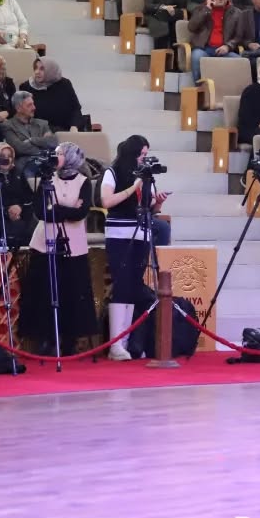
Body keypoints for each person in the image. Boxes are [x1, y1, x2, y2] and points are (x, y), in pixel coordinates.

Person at [22, 140, 97, 355]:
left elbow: (80, 213)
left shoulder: (84, 182)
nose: (56, 157)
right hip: (44, 244)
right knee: (43, 292)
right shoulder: (47, 179)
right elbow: (40, 212)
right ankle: (45, 338)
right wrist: (65, 210)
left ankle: (69, 341)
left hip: (72, 246)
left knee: (71, 293)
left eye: (60, 153)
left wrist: (55, 209)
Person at [101, 135, 166, 360]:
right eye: (142, 154)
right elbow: (106, 201)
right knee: (122, 284)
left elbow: (147, 207)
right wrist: (133, 187)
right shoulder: (113, 172)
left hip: (141, 233)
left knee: (133, 285)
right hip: (120, 233)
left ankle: (125, 341)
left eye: (146, 155)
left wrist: (158, 202)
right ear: (132, 152)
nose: (144, 159)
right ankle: (115, 344)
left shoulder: (145, 176)